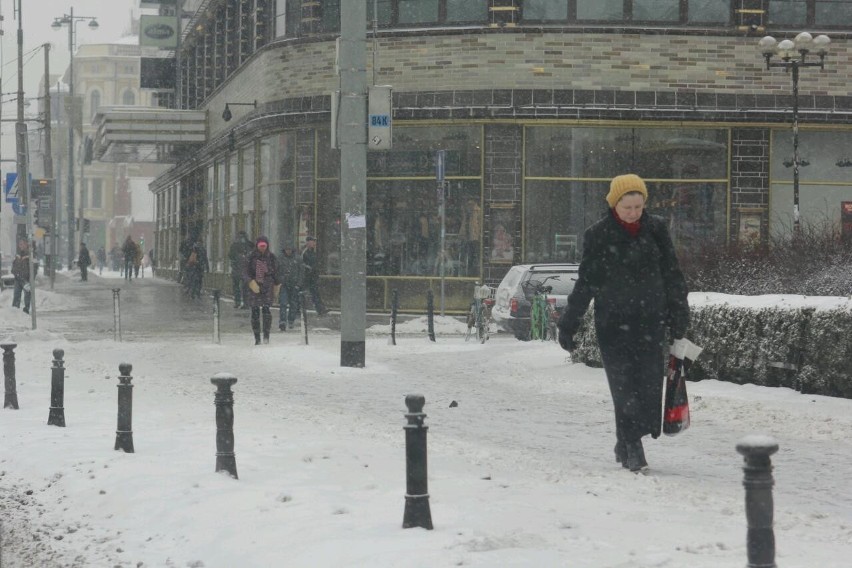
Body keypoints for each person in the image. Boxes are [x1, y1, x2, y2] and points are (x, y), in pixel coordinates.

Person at [556, 174, 689, 473]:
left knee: (647, 387)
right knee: (623, 388)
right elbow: (586, 283)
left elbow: (672, 275)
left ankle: (626, 439)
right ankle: (632, 445)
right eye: (627, 207)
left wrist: (680, 314)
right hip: (613, 325)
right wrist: (569, 323)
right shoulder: (598, 234)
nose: (633, 212)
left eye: (638, 206)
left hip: (650, 323)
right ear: (614, 204)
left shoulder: (656, 230)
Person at [243, 236, 280, 344]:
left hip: (267, 285)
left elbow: (276, 272)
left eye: (264, 246)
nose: (263, 248)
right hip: (254, 286)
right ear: (257, 246)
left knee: (266, 310)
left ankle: (266, 336)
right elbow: (245, 272)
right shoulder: (251, 257)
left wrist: (277, 284)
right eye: (261, 246)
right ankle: (257, 337)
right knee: (255, 311)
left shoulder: (271, 257)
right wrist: (250, 281)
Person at [277, 243, 302, 331]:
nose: (288, 251)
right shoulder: (280, 259)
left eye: (290, 250)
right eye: (287, 250)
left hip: (294, 285)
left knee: (293, 304)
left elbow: (301, 272)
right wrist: (280, 279)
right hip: (284, 284)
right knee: (283, 303)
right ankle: (282, 321)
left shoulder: (297, 259)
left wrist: (298, 284)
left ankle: (291, 320)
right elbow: (277, 271)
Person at [301, 236, 327, 316]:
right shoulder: (304, 252)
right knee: (304, 293)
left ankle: (321, 309)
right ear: (308, 242)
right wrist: (308, 268)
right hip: (306, 277)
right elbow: (301, 264)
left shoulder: (313, 252)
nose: (314, 243)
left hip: (312, 277)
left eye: (314, 242)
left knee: (315, 293)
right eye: (312, 241)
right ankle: (298, 310)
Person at [228, 231, 252, 309]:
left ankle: (238, 302)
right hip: (245, 270)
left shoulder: (234, 245)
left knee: (237, 287)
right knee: (245, 287)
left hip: (238, 269)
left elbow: (230, 256)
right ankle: (246, 303)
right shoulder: (249, 244)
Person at [11, 239, 31, 313]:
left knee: (27, 295)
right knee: (16, 295)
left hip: (26, 279)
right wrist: (14, 272)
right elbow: (14, 265)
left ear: (26, 244)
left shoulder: (30, 254)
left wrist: (31, 278)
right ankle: (15, 311)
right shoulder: (18, 254)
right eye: (20, 244)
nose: (21, 246)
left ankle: (26, 310)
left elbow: (34, 268)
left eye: (22, 244)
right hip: (18, 278)